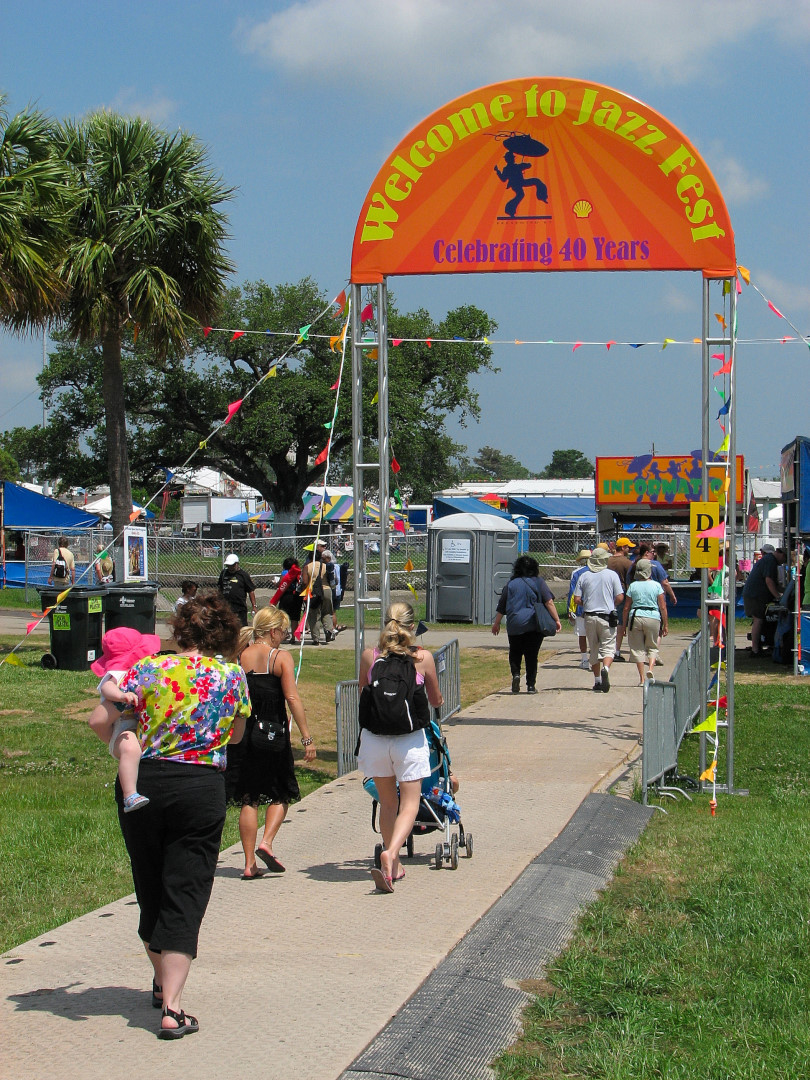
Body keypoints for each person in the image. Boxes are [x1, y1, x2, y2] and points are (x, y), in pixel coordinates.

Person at [109, 591, 250, 1039]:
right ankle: (173, 1005)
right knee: (186, 886)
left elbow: (117, 710)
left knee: (149, 880)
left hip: (145, 782)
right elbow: (237, 734)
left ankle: (159, 977)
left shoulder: (149, 667)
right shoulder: (231, 675)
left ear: (180, 629)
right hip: (199, 786)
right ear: (223, 632)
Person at [358, 602, 443, 892]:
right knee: (409, 803)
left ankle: (393, 866)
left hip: (375, 739)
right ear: (411, 626)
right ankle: (392, 853)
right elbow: (435, 699)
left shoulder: (370, 657)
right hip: (408, 740)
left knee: (387, 802)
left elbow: (363, 693)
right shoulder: (422, 658)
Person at [226, 606, 316, 878]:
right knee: (282, 792)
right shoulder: (280, 658)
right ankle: (267, 842)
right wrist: (306, 736)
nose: (286, 636)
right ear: (274, 631)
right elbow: (292, 699)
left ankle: (249, 862)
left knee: (249, 798)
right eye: (285, 631)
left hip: (243, 735)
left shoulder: (240, 656)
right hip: (272, 733)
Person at [88, 627, 163, 812]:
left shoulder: (142, 671)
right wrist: (121, 697)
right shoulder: (116, 674)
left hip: (140, 727)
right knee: (130, 748)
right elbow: (106, 688)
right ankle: (129, 795)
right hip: (122, 729)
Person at [491, 555, 561, 694]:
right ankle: (530, 685)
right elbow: (549, 602)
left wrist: (496, 623)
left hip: (514, 623)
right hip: (533, 624)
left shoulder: (510, 584)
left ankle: (516, 674)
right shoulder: (539, 582)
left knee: (515, 651)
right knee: (531, 655)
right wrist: (557, 620)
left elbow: (502, 606)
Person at [573, 547, 624, 693]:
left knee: (593, 648)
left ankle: (597, 680)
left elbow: (577, 599)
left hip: (589, 616)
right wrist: (611, 604)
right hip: (607, 616)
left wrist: (587, 603)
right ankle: (606, 668)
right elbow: (620, 596)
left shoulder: (584, 576)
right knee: (608, 647)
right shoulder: (611, 575)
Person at [621, 559, 668, 685]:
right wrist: (666, 624)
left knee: (637, 649)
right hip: (653, 616)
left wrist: (624, 625)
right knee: (652, 646)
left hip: (636, 616)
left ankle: (641, 678)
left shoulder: (633, 586)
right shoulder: (657, 586)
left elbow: (626, 607)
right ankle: (651, 668)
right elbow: (662, 606)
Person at [743, 544, 786, 656]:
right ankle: (755, 650)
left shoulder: (769, 560)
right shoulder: (770, 561)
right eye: (785, 558)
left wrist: (785, 590)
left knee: (759, 620)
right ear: (780, 553)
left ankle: (758, 646)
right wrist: (778, 597)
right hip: (755, 595)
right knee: (758, 620)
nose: (784, 562)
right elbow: (769, 581)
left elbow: (774, 583)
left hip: (754, 594)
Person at [299, 546, 334, 644]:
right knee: (327, 612)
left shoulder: (307, 567)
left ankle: (316, 638)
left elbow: (305, 582)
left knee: (314, 615)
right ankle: (328, 631)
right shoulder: (325, 566)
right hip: (326, 590)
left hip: (313, 592)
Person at [608, 538, 635, 662]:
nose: (629, 549)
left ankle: (607, 649)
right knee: (620, 622)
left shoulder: (608, 561)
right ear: (623, 547)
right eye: (628, 547)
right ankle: (616, 651)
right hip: (622, 592)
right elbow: (631, 579)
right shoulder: (626, 562)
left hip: (608, 593)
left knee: (608, 621)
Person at [566, 549, 592, 669]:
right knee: (595, 635)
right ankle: (595, 658)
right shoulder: (601, 571)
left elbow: (572, 593)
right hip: (596, 608)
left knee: (582, 634)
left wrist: (570, 609)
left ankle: (584, 659)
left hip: (581, 607)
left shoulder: (576, 573)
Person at [217, 552, 257, 627]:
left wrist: (254, 606)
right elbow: (220, 588)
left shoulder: (243, 575)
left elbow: (251, 591)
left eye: (232, 565)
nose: (230, 567)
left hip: (239, 608)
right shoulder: (223, 573)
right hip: (226, 607)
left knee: (241, 627)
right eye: (228, 565)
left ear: (237, 564)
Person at [270, 557, 303, 632]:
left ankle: (285, 633)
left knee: (284, 615)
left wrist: (275, 584)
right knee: (295, 618)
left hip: (286, 595)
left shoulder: (285, 572)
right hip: (296, 596)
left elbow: (281, 584)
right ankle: (293, 637)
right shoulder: (298, 572)